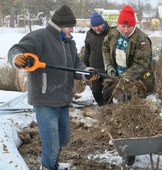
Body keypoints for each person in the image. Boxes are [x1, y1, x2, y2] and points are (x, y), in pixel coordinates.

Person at [8, 5, 98, 170]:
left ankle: (54, 163)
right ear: (60, 26)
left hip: (63, 99)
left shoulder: (69, 43)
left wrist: (87, 73)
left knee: (63, 138)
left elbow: (76, 65)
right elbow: (15, 50)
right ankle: (48, 166)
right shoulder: (39, 37)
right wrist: (18, 58)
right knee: (51, 141)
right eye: (70, 26)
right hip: (45, 100)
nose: (72, 29)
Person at [102, 5, 155, 166]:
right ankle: (123, 140)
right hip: (118, 77)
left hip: (136, 81)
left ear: (134, 25)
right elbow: (105, 48)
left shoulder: (142, 40)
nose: (125, 30)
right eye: (123, 26)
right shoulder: (112, 33)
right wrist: (109, 67)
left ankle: (131, 151)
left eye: (129, 26)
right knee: (119, 107)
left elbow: (141, 64)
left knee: (131, 111)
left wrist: (124, 78)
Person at [82, 12, 110, 106]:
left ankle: (109, 110)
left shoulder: (110, 33)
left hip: (107, 70)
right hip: (94, 70)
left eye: (98, 25)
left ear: (103, 23)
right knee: (96, 93)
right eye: (93, 26)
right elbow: (87, 51)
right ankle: (102, 108)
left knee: (107, 94)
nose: (96, 28)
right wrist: (83, 66)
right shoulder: (89, 33)